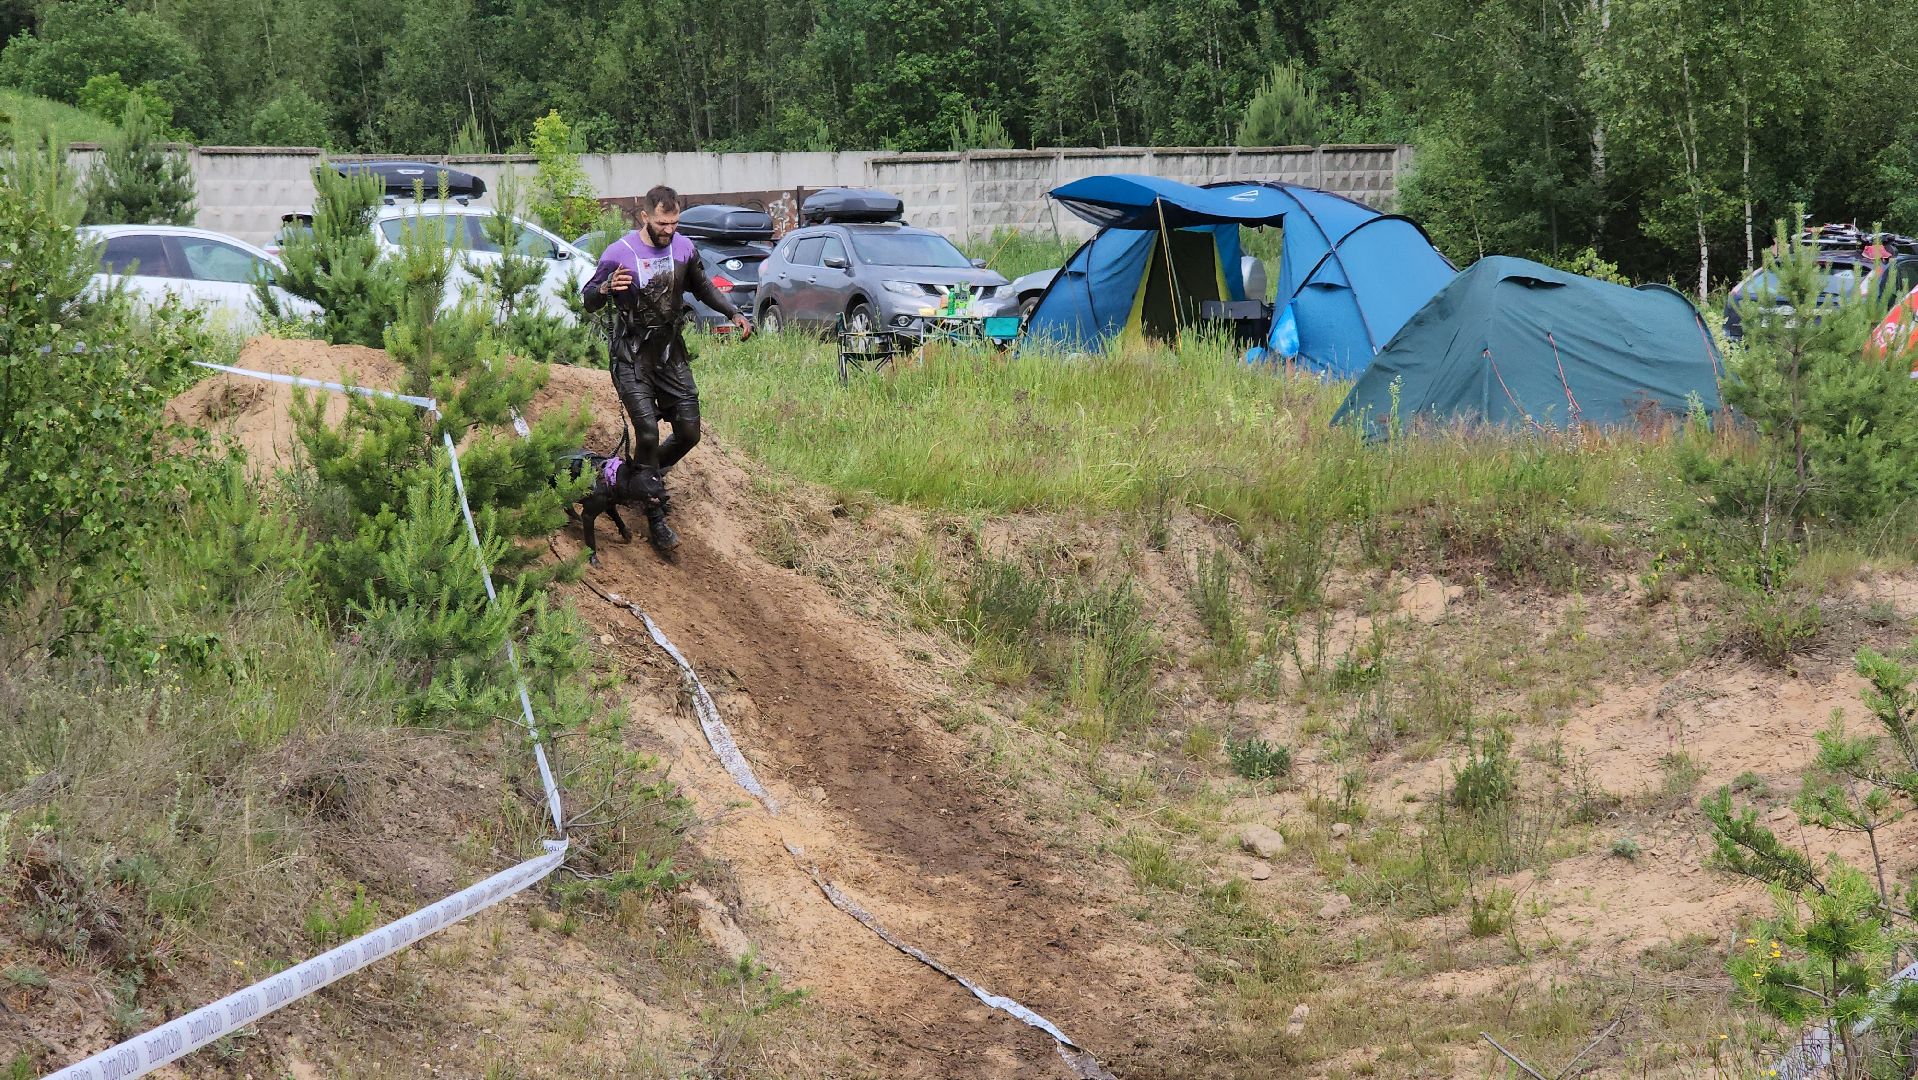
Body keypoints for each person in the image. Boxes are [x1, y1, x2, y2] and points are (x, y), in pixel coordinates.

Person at [582, 185, 751, 551]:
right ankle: (656, 515)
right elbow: (588, 299)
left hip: (670, 353)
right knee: (646, 433)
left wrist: (733, 312)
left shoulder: (684, 249)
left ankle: (636, 480)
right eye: (662, 223)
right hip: (631, 355)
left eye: (674, 223)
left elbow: (703, 287)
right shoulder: (619, 253)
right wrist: (608, 287)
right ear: (645, 217)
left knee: (690, 433)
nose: (669, 230)